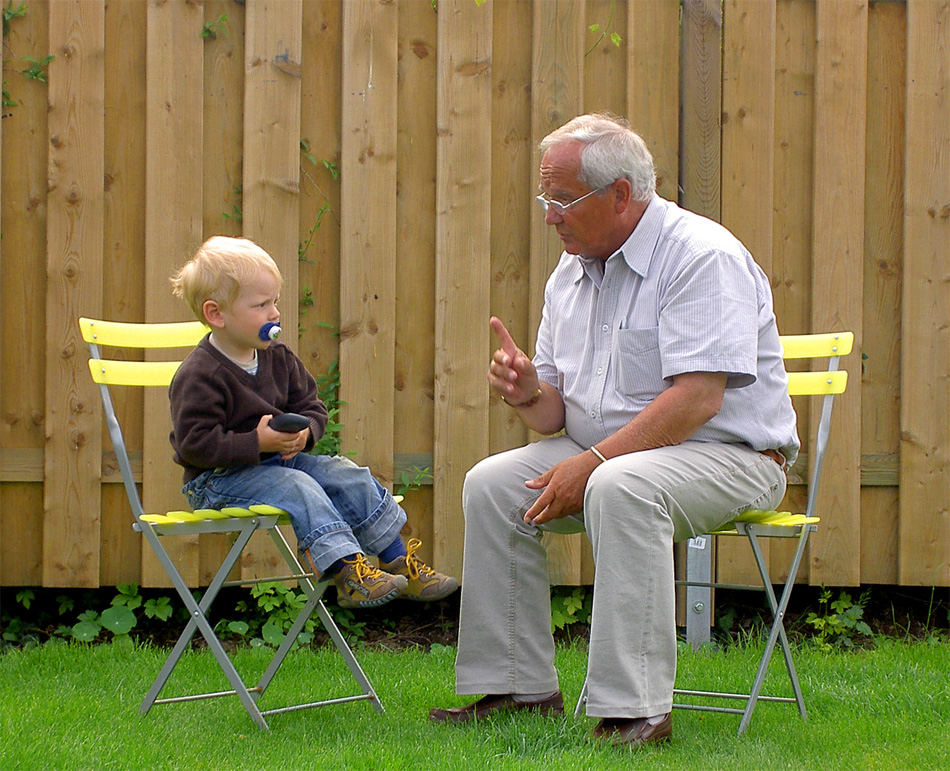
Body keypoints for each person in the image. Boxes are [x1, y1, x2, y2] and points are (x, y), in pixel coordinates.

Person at [428, 114, 799, 748]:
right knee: (492, 484)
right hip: (615, 454)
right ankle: (519, 691)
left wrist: (593, 460)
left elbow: (698, 400)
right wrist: (529, 394)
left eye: (563, 200)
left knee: (620, 486)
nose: (550, 216)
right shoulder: (570, 272)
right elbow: (557, 414)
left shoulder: (700, 256)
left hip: (729, 456)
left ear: (621, 195)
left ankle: (638, 712)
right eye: (546, 199)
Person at [168, 235, 458, 609]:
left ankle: (398, 559)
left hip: (279, 463)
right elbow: (194, 444)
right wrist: (256, 443)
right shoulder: (199, 374)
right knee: (298, 484)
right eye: (261, 305)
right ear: (216, 314)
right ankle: (348, 574)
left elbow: (312, 406)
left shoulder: (278, 356)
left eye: (275, 301)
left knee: (343, 471)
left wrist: (304, 432)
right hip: (218, 479)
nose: (274, 313)